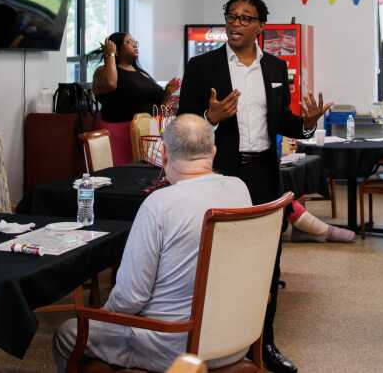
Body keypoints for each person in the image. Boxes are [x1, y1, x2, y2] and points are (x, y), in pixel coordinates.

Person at [177, 0, 330, 373]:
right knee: (216, 258)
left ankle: (266, 343)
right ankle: (213, 342)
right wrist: (210, 117)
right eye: (231, 16)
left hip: (263, 174)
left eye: (246, 18)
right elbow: (183, 126)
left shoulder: (276, 68)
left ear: (261, 26)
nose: (236, 24)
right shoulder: (202, 67)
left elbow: (284, 123)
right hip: (221, 174)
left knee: (267, 261)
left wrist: (308, 122)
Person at [52, 115, 252, 373]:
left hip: (173, 344)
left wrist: (101, 316)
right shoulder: (239, 189)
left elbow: (129, 299)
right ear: (213, 151)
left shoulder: (159, 205)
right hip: (236, 338)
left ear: (165, 154)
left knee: (69, 333)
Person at [93, 32, 181, 123]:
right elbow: (110, 84)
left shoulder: (141, 73)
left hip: (148, 131)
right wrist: (110, 55)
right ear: (116, 50)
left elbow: (157, 110)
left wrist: (167, 92)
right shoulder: (103, 71)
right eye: (128, 42)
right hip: (120, 132)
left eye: (134, 41)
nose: (134, 44)